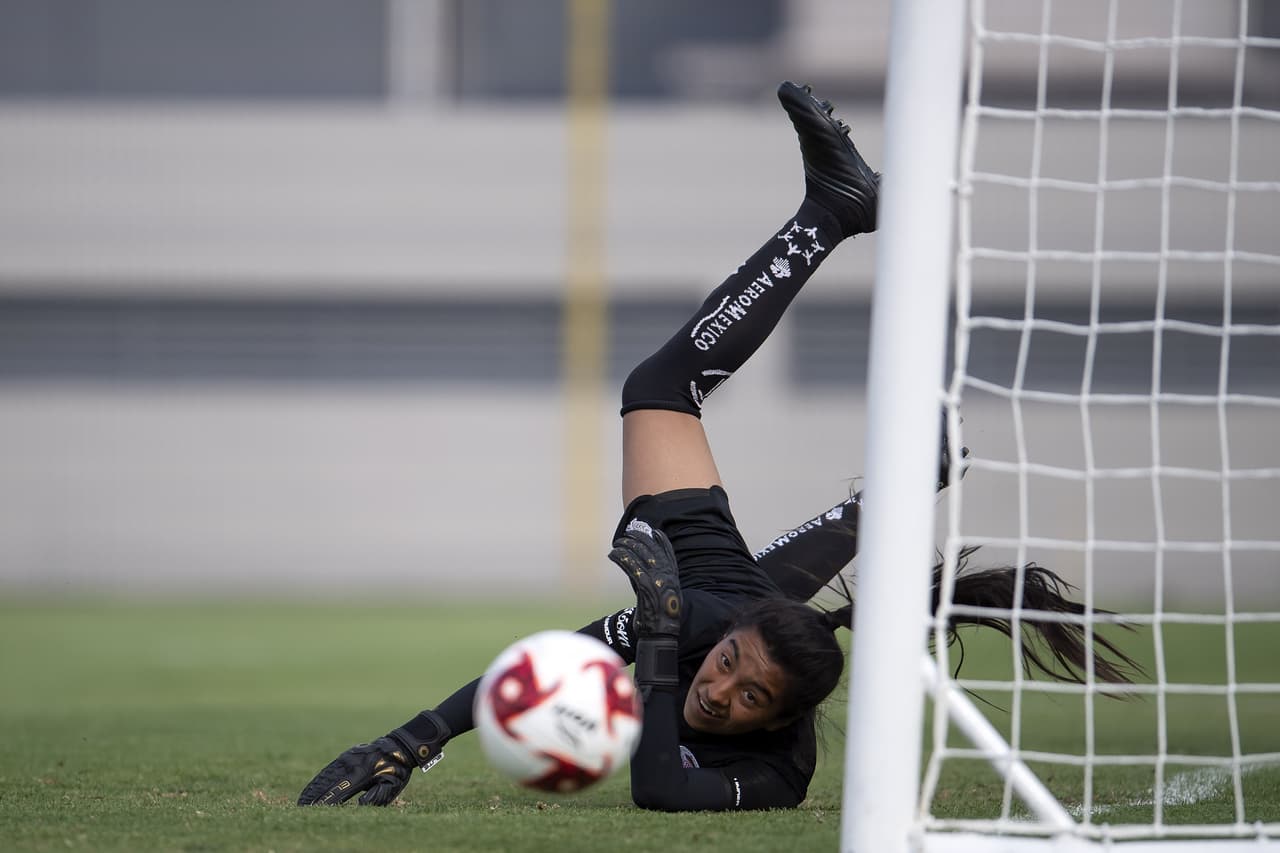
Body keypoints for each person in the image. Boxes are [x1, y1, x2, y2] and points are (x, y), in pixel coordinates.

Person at [297, 81, 1138, 812]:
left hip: (715, 601)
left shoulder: (782, 766)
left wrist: (663, 645)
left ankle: (878, 461)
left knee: (715, 500)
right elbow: (557, 659)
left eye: (748, 694)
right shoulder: (705, 621)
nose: (720, 688)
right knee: (662, 397)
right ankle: (835, 214)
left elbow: (661, 787)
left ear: (780, 717)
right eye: (733, 668)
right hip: (713, 589)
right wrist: (410, 740)